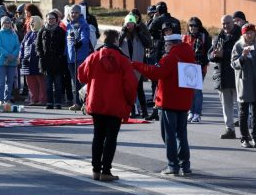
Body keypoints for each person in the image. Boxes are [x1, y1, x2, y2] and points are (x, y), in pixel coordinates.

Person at [78, 29, 138, 181]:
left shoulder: (93, 57)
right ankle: (106, 171)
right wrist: (130, 103)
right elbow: (130, 85)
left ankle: (95, 170)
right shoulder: (123, 60)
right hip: (116, 103)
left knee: (98, 136)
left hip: (97, 102)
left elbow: (81, 75)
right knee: (111, 138)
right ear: (117, 41)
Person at [132, 34, 195, 176]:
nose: (165, 48)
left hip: (169, 101)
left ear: (171, 44)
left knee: (169, 135)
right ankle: (185, 165)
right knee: (182, 135)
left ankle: (172, 165)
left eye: (166, 45)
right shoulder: (189, 54)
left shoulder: (170, 57)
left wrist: (136, 64)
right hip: (184, 101)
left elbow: (155, 73)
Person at [208, 15, 241, 139]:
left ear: (233, 22)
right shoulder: (218, 37)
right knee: (226, 106)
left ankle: (246, 130)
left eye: (228, 23)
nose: (225, 26)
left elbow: (242, 53)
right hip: (222, 77)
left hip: (237, 76)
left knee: (241, 105)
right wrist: (215, 55)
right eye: (223, 24)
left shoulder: (241, 37)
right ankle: (230, 129)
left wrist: (224, 54)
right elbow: (209, 55)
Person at [231, 23, 256, 148]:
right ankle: (244, 138)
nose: (250, 35)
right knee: (244, 112)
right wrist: (243, 56)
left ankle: (255, 137)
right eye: (247, 33)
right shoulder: (238, 46)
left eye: (252, 32)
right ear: (243, 34)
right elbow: (233, 64)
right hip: (244, 82)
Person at [119, 13, 151, 118]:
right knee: (128, 90)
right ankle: (132, 110)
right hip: (127, 66)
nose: (130, 26)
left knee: (139, 89)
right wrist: (123, 33)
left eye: (132, 23)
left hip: (138, 66)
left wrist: (140, 33)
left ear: (134, 24)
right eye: (128, 24)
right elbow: (117, 44)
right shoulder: (123, 34)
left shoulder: (139, 33)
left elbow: (148, 44)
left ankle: (144, 111)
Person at [182, 17, 212, 123]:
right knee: (189, 91)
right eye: (191, 25)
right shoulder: (185, 37)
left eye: (195, 25)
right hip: (187, 68)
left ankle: (197, 113)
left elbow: (209, 53)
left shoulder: (204, 37)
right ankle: (190, 111)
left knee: (197, 91)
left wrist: (202, 65)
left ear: (199, 26)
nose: (193, 27)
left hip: (199, 67)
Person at [36, 12, 66, 109]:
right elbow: (38, 46)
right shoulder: (42, 31)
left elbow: (64, 45)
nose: (51, 20)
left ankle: (58, 102)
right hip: (46, 62)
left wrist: (61, 56)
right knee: (48, 84)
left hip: (58, 62)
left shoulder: (61, 31)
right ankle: (49, 102)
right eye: (49, 18)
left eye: (53, 18)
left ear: (56, 19)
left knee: (58, 84)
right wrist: (41, 55)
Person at [66, 4, 90, 111]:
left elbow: (85, 38)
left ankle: (87, 102)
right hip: (71, 57)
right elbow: (66, 41)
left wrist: (79, 43)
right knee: (74, 82)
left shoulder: (83, 24)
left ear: (79, 13)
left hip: (80, 57)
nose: (73, 14)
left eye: (75, 12)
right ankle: (77, 102)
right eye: (72, 12)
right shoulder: (69, 25)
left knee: (82, 81)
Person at [20, 16, 46, 106]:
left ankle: (42, 100)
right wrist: (22, 57)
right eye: (30, 22)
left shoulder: (42, 32)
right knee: (30, 82)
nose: (31, 23)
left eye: (33, 22)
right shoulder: (28, 34)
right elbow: (22, 46)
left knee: (41, 81)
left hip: (37, 61)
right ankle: (33, 99)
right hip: (27, 62)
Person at [0, 16, 20, 103]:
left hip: (12, 61)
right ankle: (0, 99)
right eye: (5, 22)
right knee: (1, 81)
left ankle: (7, 98)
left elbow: (17, 46)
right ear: (2, 24)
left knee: (10, 81)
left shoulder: (14, 34)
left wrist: (13, 55)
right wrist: (7, 55)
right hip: (1, 61)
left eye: (9, 22)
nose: (7, 24)